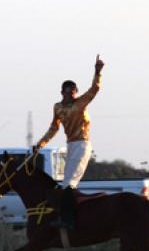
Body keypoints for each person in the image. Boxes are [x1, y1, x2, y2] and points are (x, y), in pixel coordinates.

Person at [36, 54, 105, 229]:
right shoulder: (57, 107)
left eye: (74, 91)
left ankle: (68, 220)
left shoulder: (81, 102)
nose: (73, 94)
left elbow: (94, 89)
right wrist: (41, 144)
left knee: (68, 184)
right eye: (69, 91)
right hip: (70, 145)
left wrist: (97, 72)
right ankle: (68, 214)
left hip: (82, 144)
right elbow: (54, 128)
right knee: (64, 185)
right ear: (63, 92)